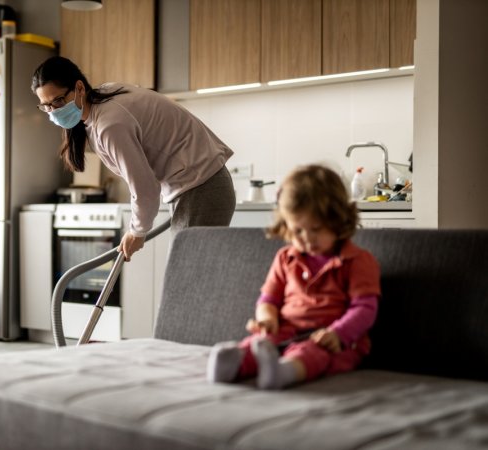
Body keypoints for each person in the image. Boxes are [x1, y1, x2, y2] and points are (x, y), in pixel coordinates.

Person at [31, 56, 236, 260]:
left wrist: (137, 231)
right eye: (46, 106)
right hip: (197, 186)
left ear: (79, 88)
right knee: (189, 279)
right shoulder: (103, 101)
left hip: (202, 187)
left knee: (188, 280)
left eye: (58, 101)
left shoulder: (110, 123)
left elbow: (144, 188)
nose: (54, 111)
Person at [207, 164, 381, 389]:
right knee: (260, 342)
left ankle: (284, 372)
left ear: (338, 221)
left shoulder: (358, 260)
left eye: (316, 229)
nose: (307, 239)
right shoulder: (285, 258)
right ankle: (231, 365)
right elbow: (268, 300)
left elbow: (365, 308)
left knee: (312, 353)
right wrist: (267, 319)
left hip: (334, 340)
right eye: (298, 231)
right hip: (287, 331)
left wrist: (338, 333)